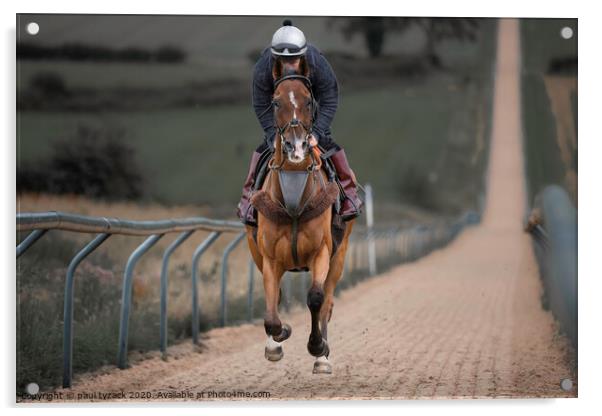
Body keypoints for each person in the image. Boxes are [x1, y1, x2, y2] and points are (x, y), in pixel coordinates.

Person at [237, 20, 362, 226]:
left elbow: (330, 98)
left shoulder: (316, 62)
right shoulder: (263, 68)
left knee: (331, 147)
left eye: (294, 59)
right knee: (261, 153)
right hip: (282, 121)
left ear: (303, 55)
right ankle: (247, 201)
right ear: (274, 57)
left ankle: (349, 195)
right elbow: (261, 105)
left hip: (309, 118)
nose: (289, 65)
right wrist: (271, 136)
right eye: (283, 60)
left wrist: (318, 133)